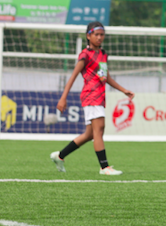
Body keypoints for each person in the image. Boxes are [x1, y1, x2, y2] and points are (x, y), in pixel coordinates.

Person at [50, 22, 133, 175]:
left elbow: (105, 76)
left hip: (100, 97)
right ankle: (104, 167)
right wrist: (63, 98)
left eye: (102, 34)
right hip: (91, 95)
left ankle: (59, 156)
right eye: (96, 34)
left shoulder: (103, 54)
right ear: (88, 36)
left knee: (90, 134)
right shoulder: (85, 55)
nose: (99, 37)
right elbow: (73, 76)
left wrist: (123, 90)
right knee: (99, 130)